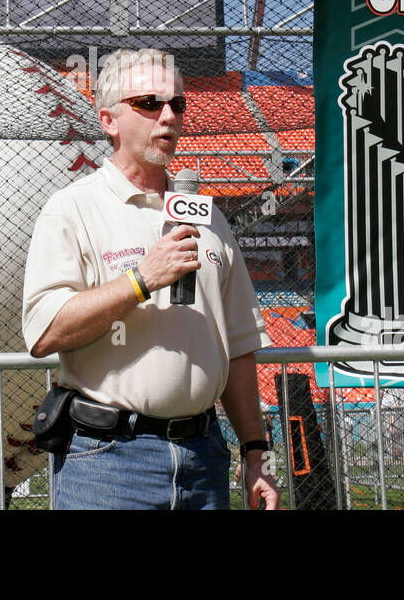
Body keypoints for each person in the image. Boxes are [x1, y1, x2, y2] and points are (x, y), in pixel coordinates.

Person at [22, 48, 279, 510]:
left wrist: (255, 451)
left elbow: (238, 347)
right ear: (109, 121)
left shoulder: (210, 217)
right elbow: (43, 333)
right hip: (107, 460)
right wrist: (141, 279)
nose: (168, 116)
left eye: (177, 104)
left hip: (205, 456)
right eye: (148, 103)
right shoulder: (74, 208)